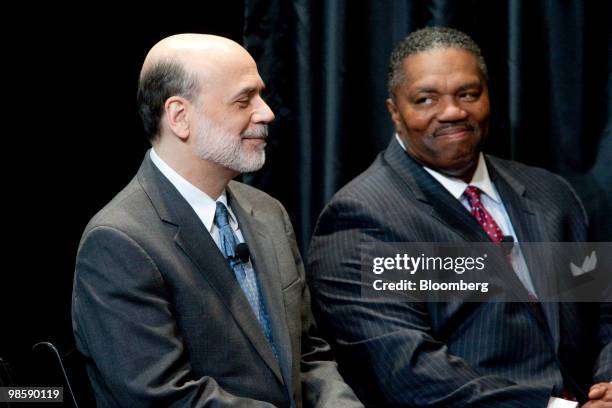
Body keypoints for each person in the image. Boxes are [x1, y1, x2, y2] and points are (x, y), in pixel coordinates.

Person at [307, 27, 611, 407]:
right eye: (425, 99)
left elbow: (602, 314)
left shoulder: (549, 193)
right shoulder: (364, 219)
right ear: (394, 112)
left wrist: (608, 383)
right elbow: (408, 370)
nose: (453, 112)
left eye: (468, 94)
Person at [72, 34, 362, 408]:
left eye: (260, 95)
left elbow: (307, 355)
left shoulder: (269, 213)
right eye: (244, 100)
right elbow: (162, 398)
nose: (267, 113)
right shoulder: (118, 241)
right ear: (180, 117)